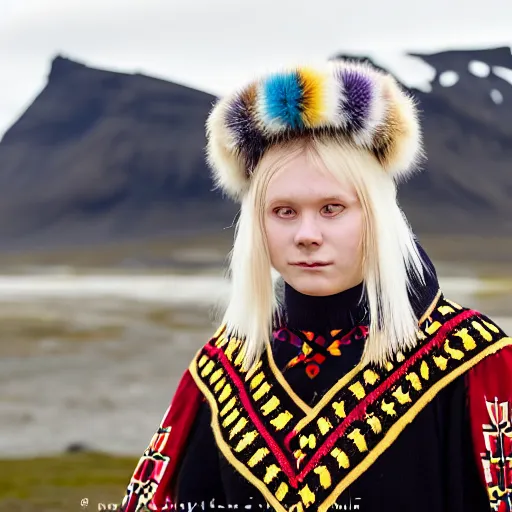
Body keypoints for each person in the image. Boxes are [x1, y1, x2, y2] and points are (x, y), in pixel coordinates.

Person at [120, 59, 512, 512]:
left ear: (376, 215)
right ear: (257, 225)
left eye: (332, 208)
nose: (306, 234)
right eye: (284, 211)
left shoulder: (476, 362)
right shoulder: (219, 370)